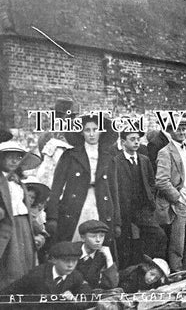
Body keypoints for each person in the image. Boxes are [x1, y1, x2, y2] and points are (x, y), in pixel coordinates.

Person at [47, 114, 120, 245]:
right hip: (75, 204)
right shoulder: (70, 155)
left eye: (95, 129)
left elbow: (114, 190)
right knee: (75, 241)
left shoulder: (109, 157)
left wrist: (117, 222)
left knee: (98, 241)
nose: (92, 134)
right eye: (87, 130)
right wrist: (52, 217)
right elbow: (56, 187)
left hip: (100, 204)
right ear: (81, 133)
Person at [108, 127, 166, 269]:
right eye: (132, 139)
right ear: (123, 142)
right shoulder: (116, 161)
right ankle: (129, 275)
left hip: (142, 211)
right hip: (124, 211)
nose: (136, 142)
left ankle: (151, 267)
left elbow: (152, 183)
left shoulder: (144, 160)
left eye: (138, 139)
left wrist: (149, 199)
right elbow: (112, 188)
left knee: (159, 235)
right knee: (126, 246)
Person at [155, 120, 186, 272]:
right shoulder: (165, 152)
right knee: (178, 244)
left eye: (184, 129)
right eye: (178, 129)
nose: (182, 132)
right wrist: (177, 198)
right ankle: (177, 274)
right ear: (170, 131)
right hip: (179, 204)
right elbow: (161, 181)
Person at [1, 241, 91, 309]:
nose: (71, 265)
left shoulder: (76, 276)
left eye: (74, 261)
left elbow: (86, 294)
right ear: (54, 260)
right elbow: (7, 295)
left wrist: (75, 300)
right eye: (66, 260)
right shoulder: (37, 275)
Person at [0, 141, 42, 289]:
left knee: (26, 261)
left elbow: (26, 209)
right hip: (6, 227)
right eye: (9, 157)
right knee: (11, 264)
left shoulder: (20, 183)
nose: (13, 161)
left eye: (17, 158)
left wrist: (39, 231)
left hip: (23, 226)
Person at [75, 220, 118, 290]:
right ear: (83, 238)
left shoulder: (103, 254)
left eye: (102, 236)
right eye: (93, 236)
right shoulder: (72, 251)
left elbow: (112, 284)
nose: (98, 240)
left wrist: (109, 259)